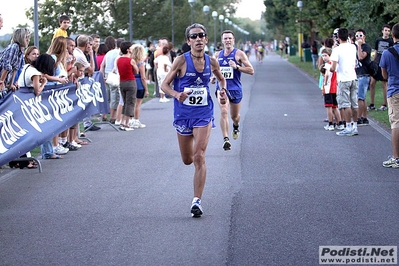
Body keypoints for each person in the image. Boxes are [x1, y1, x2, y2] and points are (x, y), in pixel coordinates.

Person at [160, 23, 227, 218]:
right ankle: (196, 196)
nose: (198, 39)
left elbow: (221, 79)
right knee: (187, 159)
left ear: (206, 39)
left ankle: (196, 200)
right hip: (183, 115)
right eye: (194, 36)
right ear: (188, 41)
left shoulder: (212, 62)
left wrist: (222, 91)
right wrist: (176, 94)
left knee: (199, 156)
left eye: (201, 36)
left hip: (203, 114)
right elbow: (164, 85)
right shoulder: (181, 60)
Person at [213, 30, 255, 150]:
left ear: (233, 40)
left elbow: (251, 70)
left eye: (230, 38)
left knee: (234, 116)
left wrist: (237, 67)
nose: (227, 40)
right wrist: (212, 77)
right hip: (222, 89)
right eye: (225, 38)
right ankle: (226, 139)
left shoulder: (239, 54)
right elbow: (213, 71)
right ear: (222, 41)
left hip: (235, 89)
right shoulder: (217, 55)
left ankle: (236, 126)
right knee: (224, 111)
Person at [330, 28, 359, 136]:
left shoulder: (337, 49)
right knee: (354, 103)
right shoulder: (352, 47)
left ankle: (348, 126)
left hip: (343, 79)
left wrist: (332, 68)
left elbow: (333, 67)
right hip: (353, 77)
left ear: (338, 37)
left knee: (345, 104)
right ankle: (355, 126)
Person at [380, 23, 399, 168]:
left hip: (394, 90)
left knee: (396, 123)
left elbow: (384, 74)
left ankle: (396, 157)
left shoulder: (387, 53)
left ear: (392, 36)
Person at [369, 24, 394, 111]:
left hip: (385, 64)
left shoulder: (391, 41)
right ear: (382, 31)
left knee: (385, 84)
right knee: (372, 83)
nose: (387, 32)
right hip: (377, 63)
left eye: (388, 31)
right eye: (385, 30)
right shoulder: (378, 40)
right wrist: (373, 61)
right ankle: (372, 104)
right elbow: (376, 51)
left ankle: (385, 104)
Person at [0, 28, 31, 98]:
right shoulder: (14, 47)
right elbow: (6, 67)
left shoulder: (21, 50)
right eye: (27, 37)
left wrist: (11, 84)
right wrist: (1, 82)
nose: (28, 40)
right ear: (21, 38)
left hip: (5, 80)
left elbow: (15, 68)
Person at [320, 48, 344, 131]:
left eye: (325, 55)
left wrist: (325, 83)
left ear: (330, 55)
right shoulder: (336, 65)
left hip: (329, 88)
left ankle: (330, 123)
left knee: (328, 107)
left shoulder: (327, 65)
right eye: (323, 56)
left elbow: (326, 75)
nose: (324, 58)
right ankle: (340, 123)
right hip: (335, 88)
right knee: (335, 107)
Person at [116, 41, 138, 131]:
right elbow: (136, 71)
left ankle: (122, 121)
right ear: (128, 49)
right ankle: (127, 123)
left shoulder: (119, 60)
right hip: (130, 82)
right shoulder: (131, 60)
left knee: (125, 101)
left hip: (122, 82)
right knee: (131, 102)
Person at [100, 36, 122, 124]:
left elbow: (102, 65)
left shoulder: (108, 53)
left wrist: (102, 76)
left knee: (106, 96)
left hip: (106, 75)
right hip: (114, 76)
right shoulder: (118, 53)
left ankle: (104, 115)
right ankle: (113, 116)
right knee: (115, 96)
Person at [354, 29, 371, 126]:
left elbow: (361, 57)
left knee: (360, 98)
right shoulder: (355, 47)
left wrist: (359, 45)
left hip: (364, 74)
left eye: (360, 35)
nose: (358, 37)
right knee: (362, 97)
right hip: (357, 74)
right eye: (357, 36)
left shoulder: (366, 47)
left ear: (364, 36)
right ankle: (364, 118)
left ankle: (360, 117)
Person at [130, 44, 149, 128]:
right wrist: (146, 89)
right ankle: (136, 120)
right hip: (139, 84)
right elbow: (143, 77)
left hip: (131, 81)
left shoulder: (130, 61)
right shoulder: (141, 63)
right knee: (138, 104)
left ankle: (129, 120)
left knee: (131, 103)